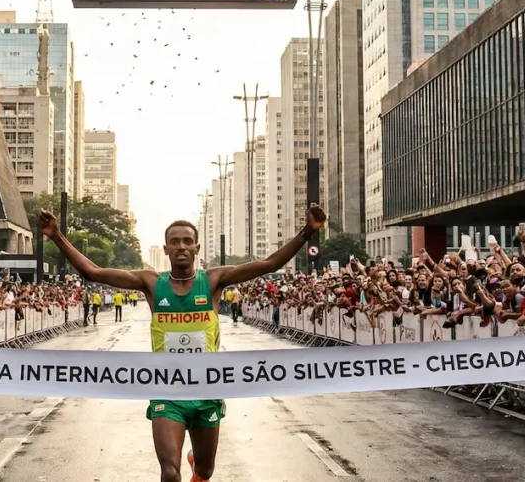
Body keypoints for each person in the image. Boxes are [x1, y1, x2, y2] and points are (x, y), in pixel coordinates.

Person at [38, 203, 326, 482]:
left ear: (197, 249)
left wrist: (307, 231)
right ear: (166, 249)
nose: (182, 246)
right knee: (169, 472)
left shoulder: (214, 280)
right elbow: (93, 272)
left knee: (206, 471)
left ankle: (198, 469)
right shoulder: (151, 283)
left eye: (188, 241)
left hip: (206, 392)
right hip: (167, 392)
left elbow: (269, 264)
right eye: (174, 242)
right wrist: (56, 235)